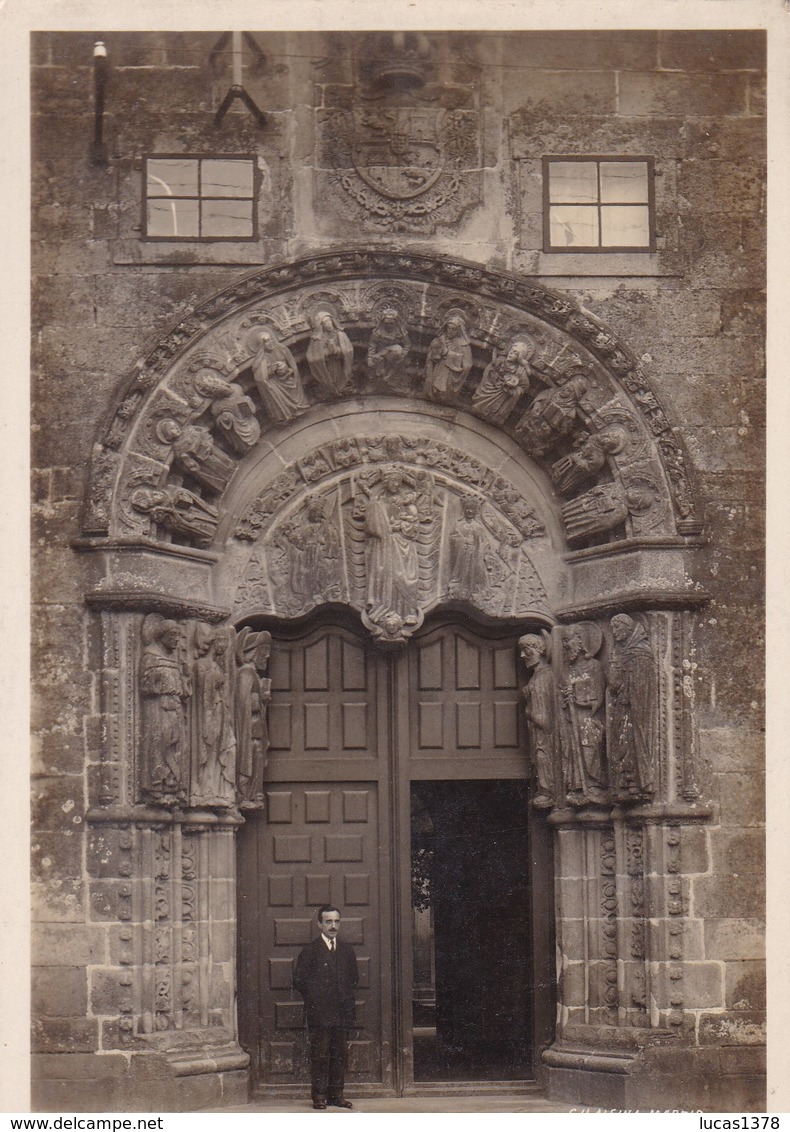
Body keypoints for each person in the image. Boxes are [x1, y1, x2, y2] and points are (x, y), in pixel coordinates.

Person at [293, 906, 358, 1110]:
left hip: (342, 1014)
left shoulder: (347, 950)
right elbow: (299, 981)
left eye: (336, 921)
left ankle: (336, 1095)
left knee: (339, 1054)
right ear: (320, 924)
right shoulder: (311, 950)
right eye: (328, 921)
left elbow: (353, 979)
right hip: (320, 1014)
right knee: (320, 1054)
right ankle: (319, 1096)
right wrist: (317, 1000)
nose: (333, 926)